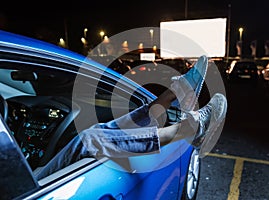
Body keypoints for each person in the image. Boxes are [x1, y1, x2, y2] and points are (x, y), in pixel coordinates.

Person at [33, 55, 227, 180]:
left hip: (29, 175)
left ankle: (173, 93)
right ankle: (190, 129)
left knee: (98, 131)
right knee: (89, 139)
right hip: (28, 187)